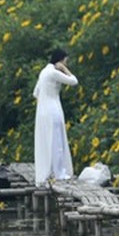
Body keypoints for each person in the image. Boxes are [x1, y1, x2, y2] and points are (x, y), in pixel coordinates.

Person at [33, 49, 78, 186]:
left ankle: (50, 171)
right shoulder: (53, 72)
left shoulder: (44, 72)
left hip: (42, 112)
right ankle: (59, 173)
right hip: (54, 110)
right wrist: (64, 69)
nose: (66, 63)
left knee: (47, 141)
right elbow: (74, 81)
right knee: (57, 142)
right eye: (65, 61)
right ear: (60, 60)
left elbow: (36, 93)